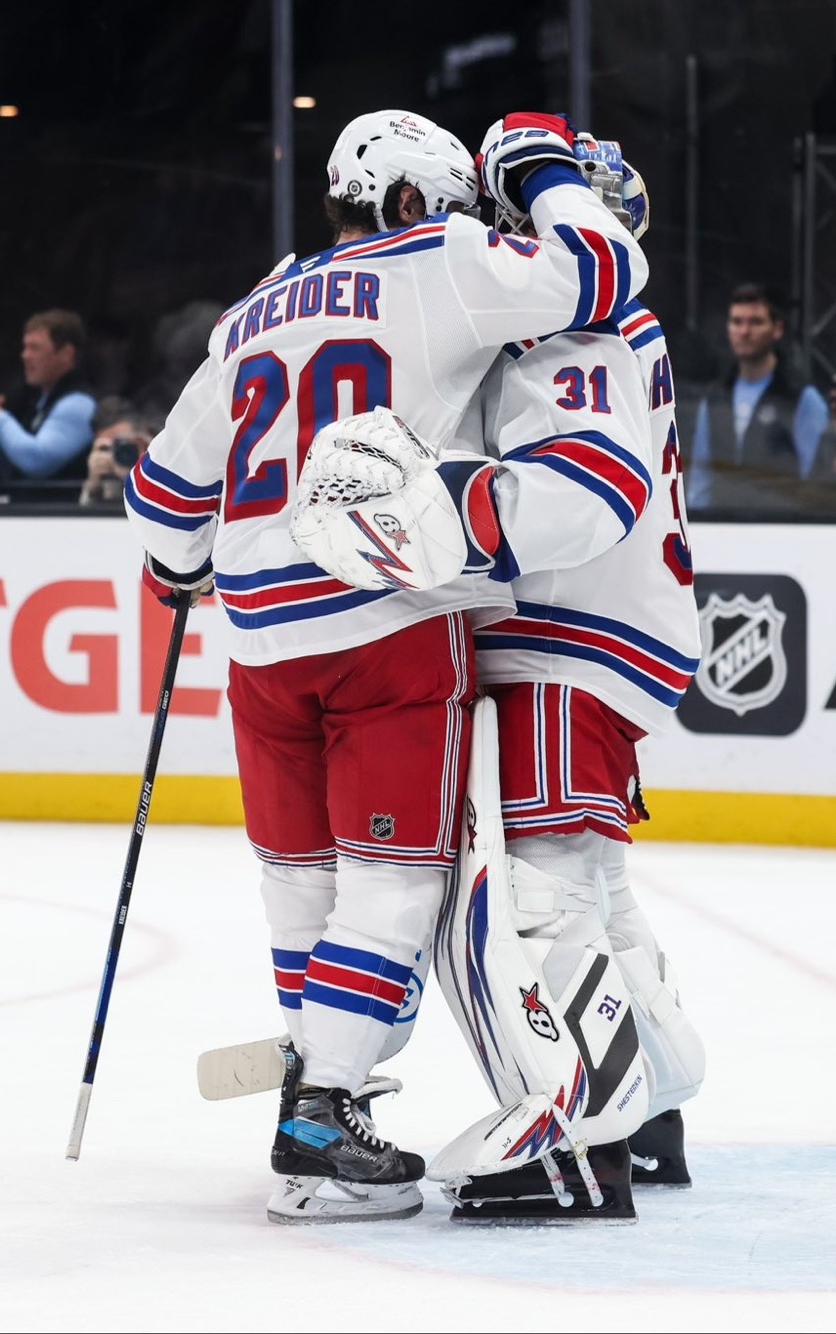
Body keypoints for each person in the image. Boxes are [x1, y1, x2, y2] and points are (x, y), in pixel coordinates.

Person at [121, 108, 647, 1225]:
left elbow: (163, 505)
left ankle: (323, 1115)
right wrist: (540, 164)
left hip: (260, 639)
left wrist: (180, 572)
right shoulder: (437, 259)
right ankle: (321, 1105)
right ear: (412, 200)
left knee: (299, 879)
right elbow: (604, 266)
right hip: (388, 613)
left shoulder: (251, 305)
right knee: (395, 881)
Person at [425, 138, 705, 1220]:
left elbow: (582, 481)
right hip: (611, 632)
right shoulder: (627, 324)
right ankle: (655, 1091)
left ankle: (583, 1127)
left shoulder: (572, 321)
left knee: (542, 890)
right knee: (593, 882)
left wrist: (445, 507)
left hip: (562, 626)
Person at [685, 283, 826, 509]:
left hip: (781, 527)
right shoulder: (715, 398)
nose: (744, 331)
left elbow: (815, 477)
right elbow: (701, 478)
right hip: (721, 528)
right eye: (737, 322)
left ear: (777, 329)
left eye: (756, 322)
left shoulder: (800, 398)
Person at [0, 309, 97, 490]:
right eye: (25, 347)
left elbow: (36, 460)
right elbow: (5, 468)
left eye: (35, 348)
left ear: (66, 353)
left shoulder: (78, 404)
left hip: (63, 515)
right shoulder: (37, 400)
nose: (25, 355)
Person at [79, 397, 154, 507]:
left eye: (126, 445)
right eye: (107, 448)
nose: (119, 453)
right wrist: (94, 487)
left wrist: (145, 473)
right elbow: (83, 518)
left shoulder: (155, 459)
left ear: (142, 444)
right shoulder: (103, 477)